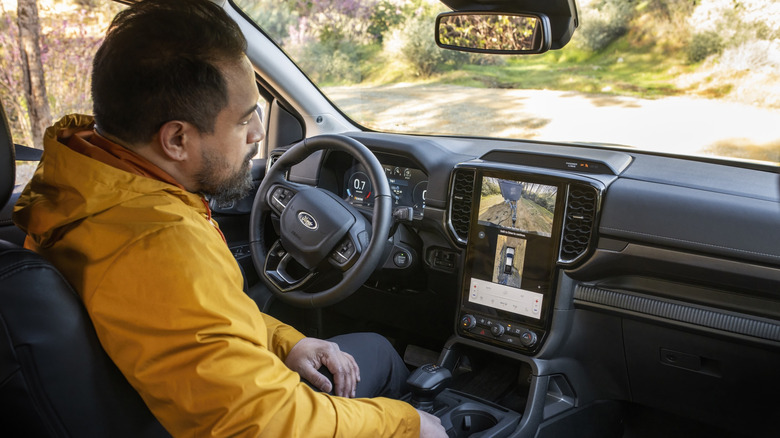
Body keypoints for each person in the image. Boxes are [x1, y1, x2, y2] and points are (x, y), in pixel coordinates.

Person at [12, 0, 447, 436]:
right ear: (177, 139)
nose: (258, 134)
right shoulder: (160, 244)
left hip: (162, 407)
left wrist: (287, 342)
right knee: (381, 356)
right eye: (243, 121)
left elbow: (200, 322)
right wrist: (407, 424)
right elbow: (263, 422)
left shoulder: (84, 186)